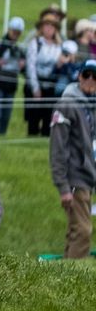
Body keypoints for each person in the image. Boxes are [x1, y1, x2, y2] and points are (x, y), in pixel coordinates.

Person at [49, 58, 96, 260]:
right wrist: (63, 187)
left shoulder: (91, 105)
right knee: (83, 231)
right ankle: (73, 277)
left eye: (95, 76)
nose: (91, 79)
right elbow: (57, 148)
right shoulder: (67, 103)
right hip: (74, 178)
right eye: (86, 74)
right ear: (79, 76)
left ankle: (63, 276)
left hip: (88, 178)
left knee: (75, 229)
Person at [25, 10, 70, 135]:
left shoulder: (59, 46)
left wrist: (60, 64)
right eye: (46, 25)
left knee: (48, 113)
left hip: (51, 83)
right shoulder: (36, 43)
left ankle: (46, 134)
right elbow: (31, 65)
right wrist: (35, 88)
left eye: (52, 26)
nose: (49, 28)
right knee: (34, 115)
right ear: (42, 27)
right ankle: (32, 135)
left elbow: (59, 67)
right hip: (36, 80)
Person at [0, 17, 25, 136]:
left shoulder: (19, 49)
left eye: (18, 32)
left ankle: (1, 137)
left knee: (5, 117)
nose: (15, 34)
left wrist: (23, 66)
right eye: (13, 31)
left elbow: (23, 70)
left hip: (11, 86)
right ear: (8, 29)